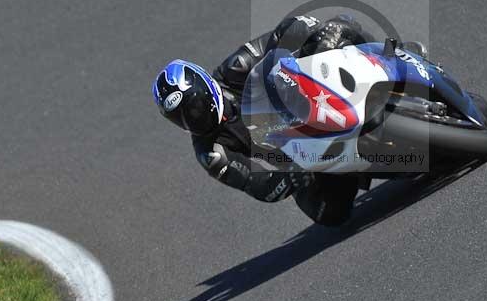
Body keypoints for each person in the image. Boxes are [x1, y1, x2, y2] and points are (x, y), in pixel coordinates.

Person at [152, 15, 376, 226]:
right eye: (181, 118)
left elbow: (283, 34)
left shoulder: (235, 68)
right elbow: (259, 186)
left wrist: (317, 34)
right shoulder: (211, 153)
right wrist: (292, 175)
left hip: (315, 97)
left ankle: (386, 58)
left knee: (337, 31)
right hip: (304, 157)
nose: (193, 118)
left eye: (194, 107)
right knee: (330, 214)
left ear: (205, 87)